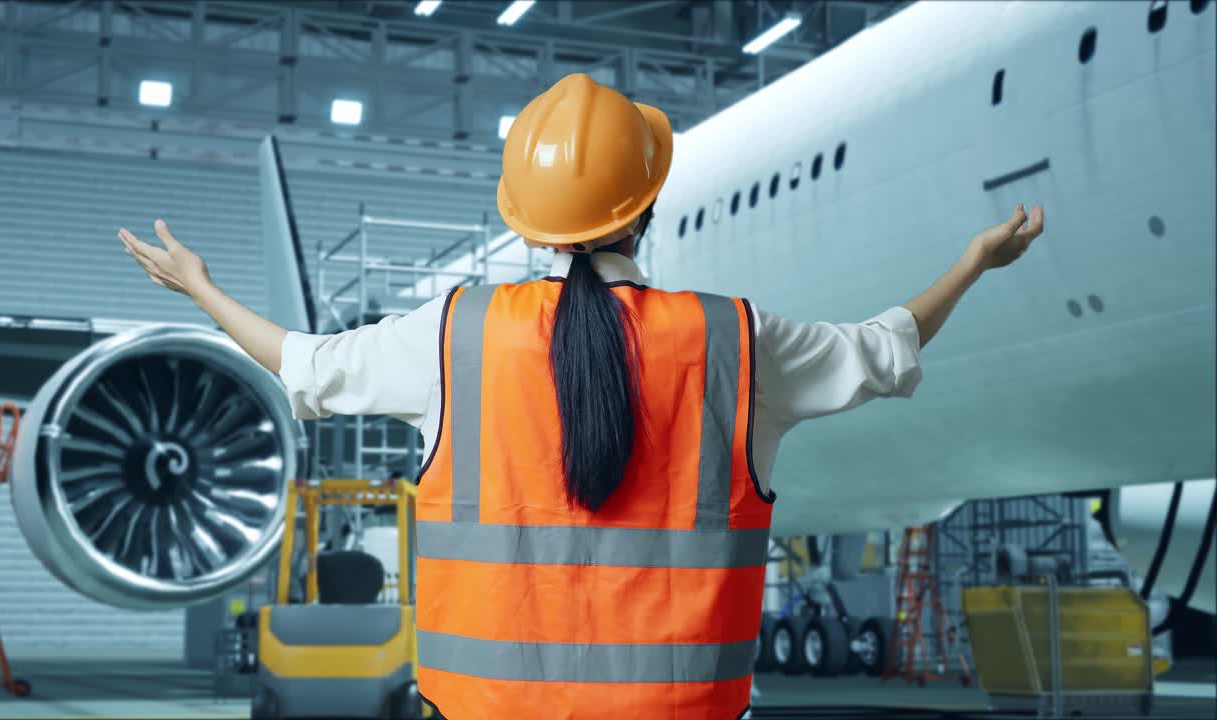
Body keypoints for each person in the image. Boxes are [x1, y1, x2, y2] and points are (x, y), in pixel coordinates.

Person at [118, 72, 1043, 720]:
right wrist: (971, 264)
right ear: (648, 206)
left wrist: (200, 288)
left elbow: (305, 363)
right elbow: (884, 351)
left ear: (526, 223)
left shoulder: (452, 335)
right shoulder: (735, 341)